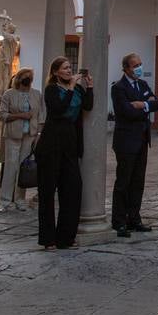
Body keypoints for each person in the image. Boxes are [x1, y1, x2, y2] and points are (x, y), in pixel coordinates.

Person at [35, 57, 93, 249]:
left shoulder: (76, 89)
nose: (69, 71)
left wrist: (89, 87)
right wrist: (69, 88)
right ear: (56, 72)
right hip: (52, 141)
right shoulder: (52, 90)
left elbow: (87, 106)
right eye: (65, 68)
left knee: (73, 189)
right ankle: (48, 238)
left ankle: (66, 236)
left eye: (70, 67)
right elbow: (59, 109)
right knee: (48, 191)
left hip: (70, 141)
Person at [110, 53, 158, 237]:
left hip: (141, 139)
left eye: (140, 64)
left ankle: (134, 218)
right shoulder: (119, 88)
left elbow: (156, 103)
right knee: (124, 182)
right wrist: (141, 107)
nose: (138, 68)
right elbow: (125, 112)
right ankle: (119, 221)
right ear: (126, 68)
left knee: (138, 181)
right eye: (135, 65)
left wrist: (142, 105)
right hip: (125, 141)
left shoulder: (143, 84)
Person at [0, 67, 43, 210]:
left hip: (29, 135)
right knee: (11, 167)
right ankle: (5, 200)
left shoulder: (36, 94)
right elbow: (2, 115)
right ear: (19, 78)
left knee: (24, 167)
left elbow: (40, 115)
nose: (28, 79)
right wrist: (20, 116)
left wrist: (38, 133)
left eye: (30, 77)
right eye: (25, 77)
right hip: (13, 134)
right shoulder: (9, 94)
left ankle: (20, 199)